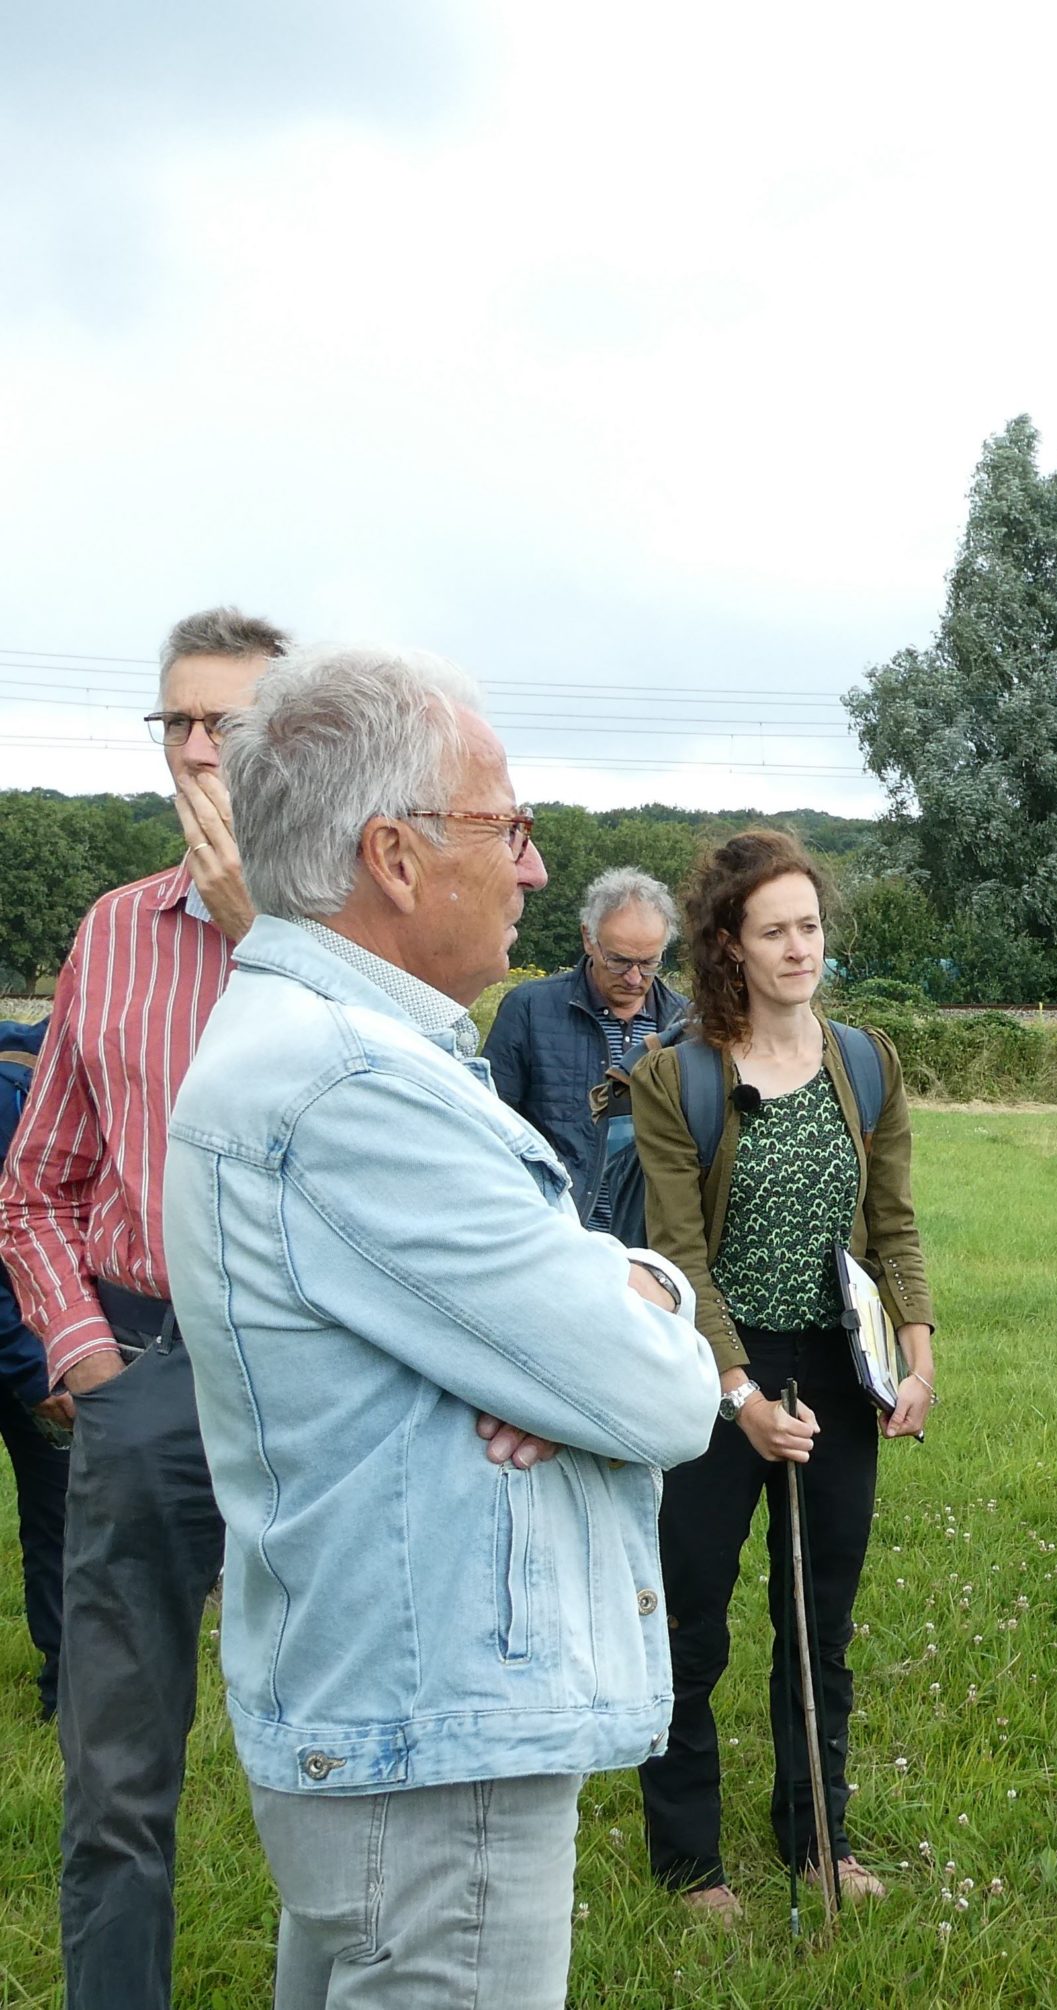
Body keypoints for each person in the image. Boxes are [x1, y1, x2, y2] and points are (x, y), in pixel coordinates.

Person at [160, 645, 720, 2007]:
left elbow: (616, 1323)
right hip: (435, 1733)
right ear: (395, 857)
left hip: (398, 1701)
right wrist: (625, 1319)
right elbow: (660, 1395)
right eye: (508, 825)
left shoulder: (329, 1042)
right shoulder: (353, 1082)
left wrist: (631, 1294)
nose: (532, 866)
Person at [0, 604, 286, 2010]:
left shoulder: (367, 927)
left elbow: (444, 1137)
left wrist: (262, 931)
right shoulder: (111, 932)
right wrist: (89, 1355)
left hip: (322, 1379)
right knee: (114, 1780)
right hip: (144, 1367)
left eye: (221, 722)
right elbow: (34, 1179)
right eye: (173, 721)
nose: (191, 748)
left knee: (347, 1759)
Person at [631, 829, 937, 1918]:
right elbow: (679, 1259)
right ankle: (687, 1861)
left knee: (820, 1622)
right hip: (715, 1376)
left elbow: (892, 1217)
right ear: (729, 947)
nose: (799, 948)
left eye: (809, 927)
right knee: (693, 1624)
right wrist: (741, 1397)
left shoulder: (867, 1061)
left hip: (837, 1369)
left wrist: (916, 1346)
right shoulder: (677, 1080)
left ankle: (819, 1842)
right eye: (775, 932)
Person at [485, 865, 689, 1228]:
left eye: (648, 963)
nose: (633, 977)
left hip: (652, 1240)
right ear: (588, 939)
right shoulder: (530, 1009)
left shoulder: (685, 1025)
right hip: (557, 1230)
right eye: (619, 960)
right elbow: (490, 1130)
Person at [0, 1015, 69, 1722]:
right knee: (60, 1518)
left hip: (35, 1343)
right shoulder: (15, 1093)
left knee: (62, 1514)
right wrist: (35, 1366)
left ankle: (66, 1684)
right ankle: (65, 1685)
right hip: (29, 1351)